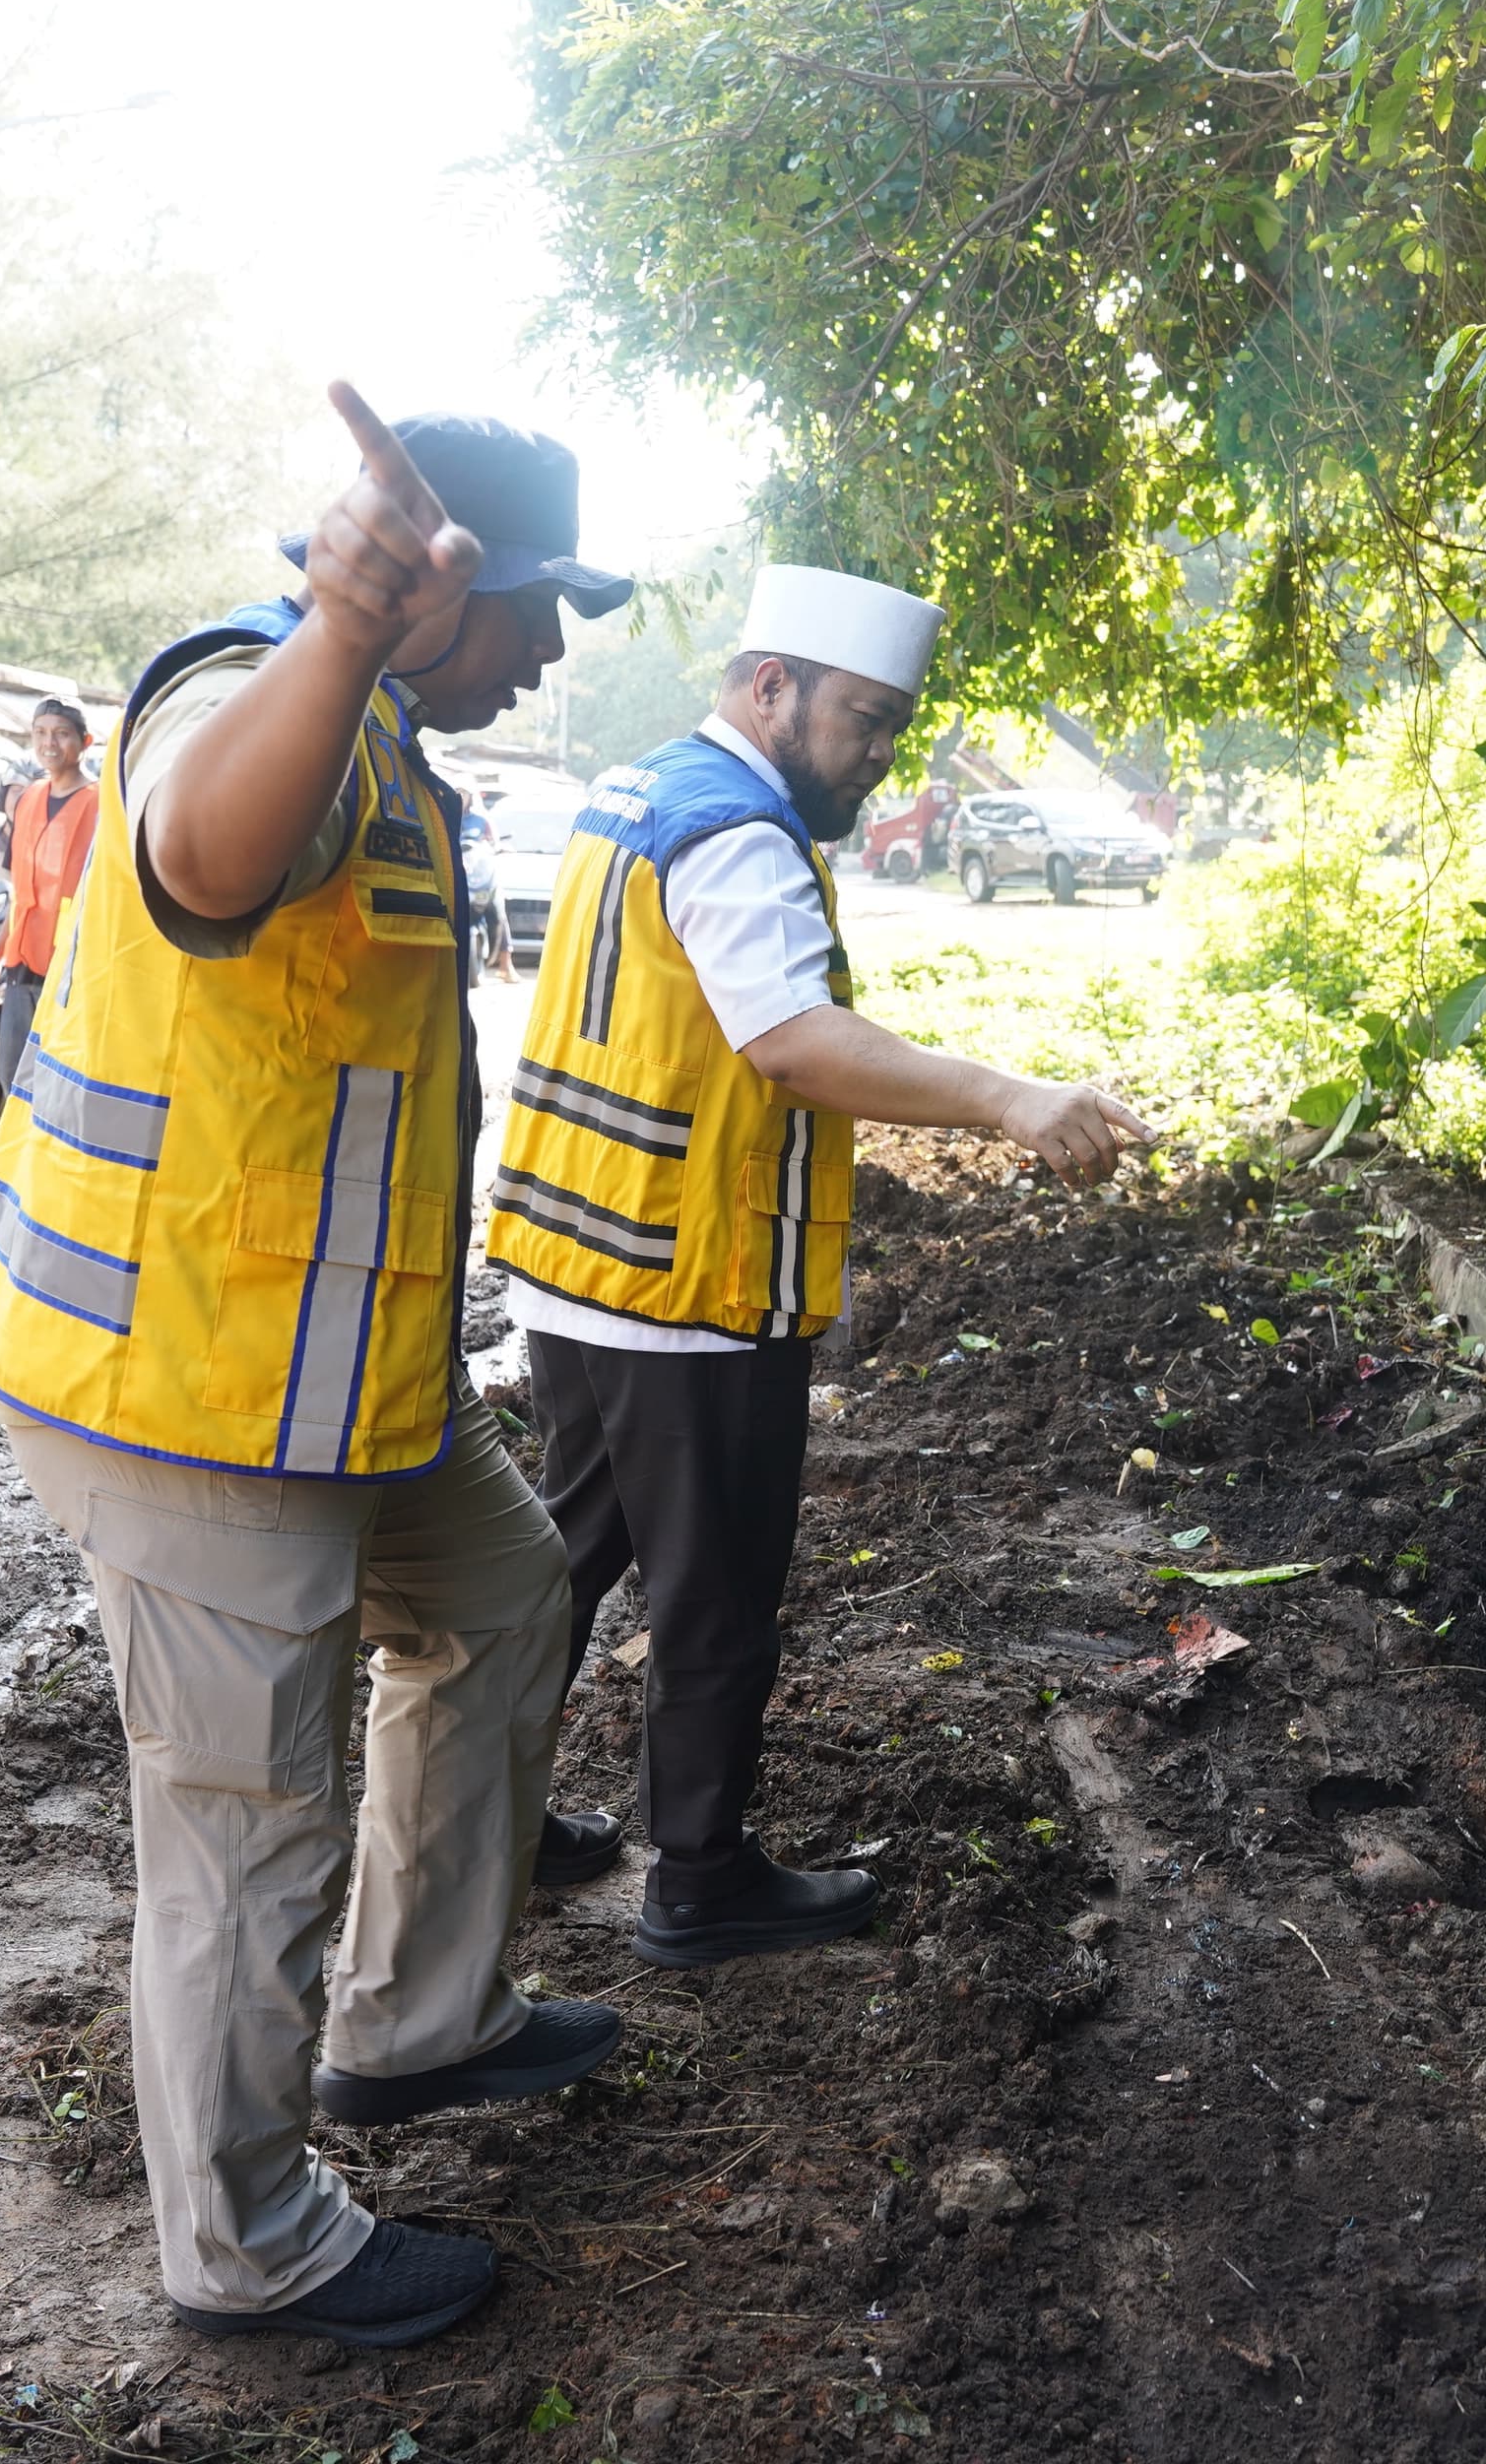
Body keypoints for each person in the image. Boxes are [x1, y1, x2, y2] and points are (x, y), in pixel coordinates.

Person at [0, 389, 639, 2352]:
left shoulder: (397, 749)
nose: (558, 650)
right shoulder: (267, 704)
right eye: (544, 609)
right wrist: (337, 631)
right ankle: (242, 2242)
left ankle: (417, 2025)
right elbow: (201, 853)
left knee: (504, 1599)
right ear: (439, 586)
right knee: (251, 1822)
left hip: (342, 1382)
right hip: (191, 1385)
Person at [488, 564, 1152, 1969]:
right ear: (771, 684)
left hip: (583, 1260)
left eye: (895, 727)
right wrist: (1011, 1099)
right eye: (862, 717)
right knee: (713, 1598)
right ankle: (701, 1878)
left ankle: (490, 1817)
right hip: (691, 1288)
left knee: (565, 1560)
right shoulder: (737, 829)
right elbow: (787, 1037)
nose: (877, 753)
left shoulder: (640, 791)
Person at [0, 695, 100, 1097]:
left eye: (61, 734)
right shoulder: (29, 800)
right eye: (39, 733)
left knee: (63, 1085)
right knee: (15, 1078)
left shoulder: (103, 803)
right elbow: (21, 894)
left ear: (85, 740)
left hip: (76, 968)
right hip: (22, 964)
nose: (49, 743)